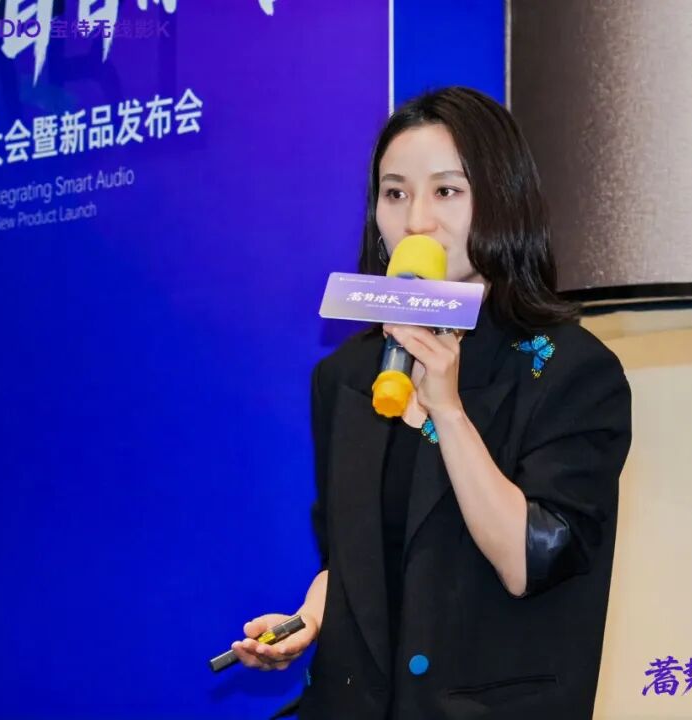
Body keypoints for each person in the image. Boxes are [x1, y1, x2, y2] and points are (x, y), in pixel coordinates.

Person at [229, 86, 632, 719]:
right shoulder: (346, 375)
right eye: (395, 194)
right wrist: (310, 616)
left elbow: (532, 560)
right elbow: (355, 556)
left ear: (500, 200)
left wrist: (448, 409)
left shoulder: (569, 370)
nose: (417, 221)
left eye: (446, 191)